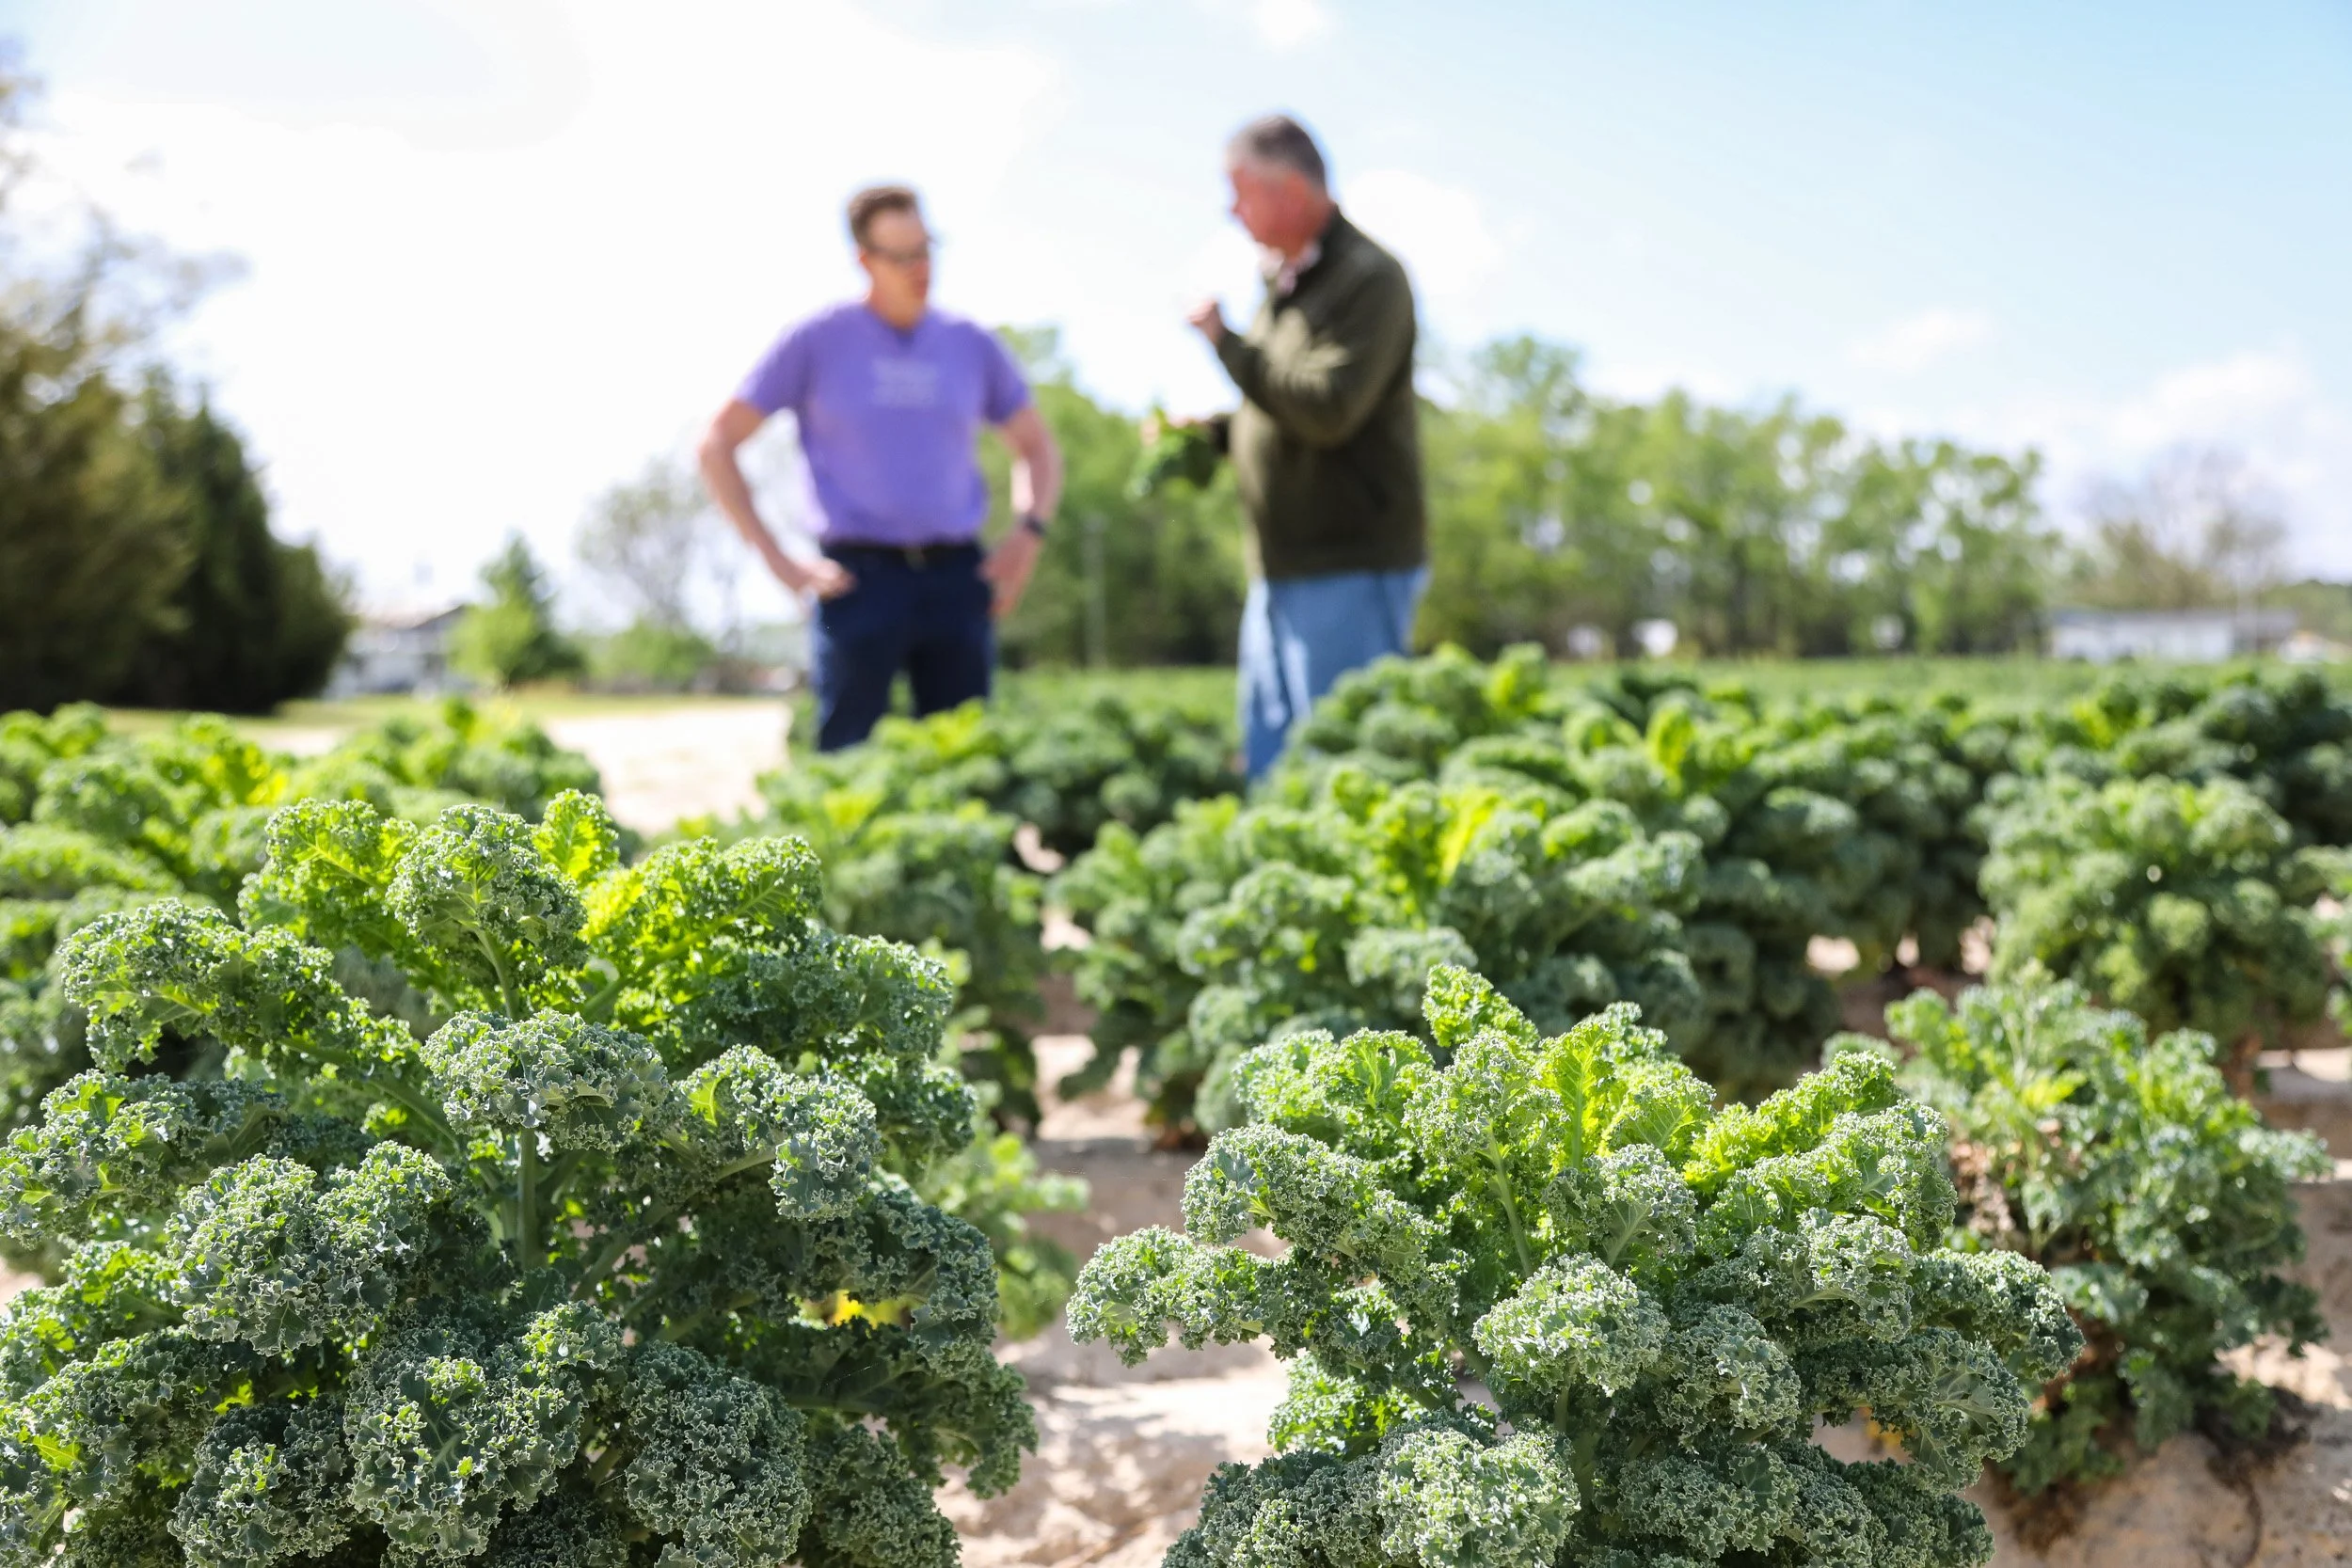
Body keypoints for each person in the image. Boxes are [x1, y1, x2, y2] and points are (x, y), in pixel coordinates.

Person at [700, 184, 1063, 752]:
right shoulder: (816, 341)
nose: (921, 268)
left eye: (926, 249)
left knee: (967, 763)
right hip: (857, 583)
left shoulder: (970, 344)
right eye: (902, 256)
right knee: (848, 765)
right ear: (865, 261)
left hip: (956, 580)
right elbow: (717, 444)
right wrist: (779, 562)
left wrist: (1027, 536)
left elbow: (1038, 449)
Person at [1180, 114, 1427, 779]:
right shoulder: (1285, 286)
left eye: (1240, 191)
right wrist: (1212, 436)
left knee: (1346, 770)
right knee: (1274, 761)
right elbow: (1278, 410)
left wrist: (1227, 345)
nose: (1231, 211)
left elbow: (1327, 410)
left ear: (1289, 190)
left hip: (1348, 561)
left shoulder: (1368, 278)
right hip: (1283, 567)